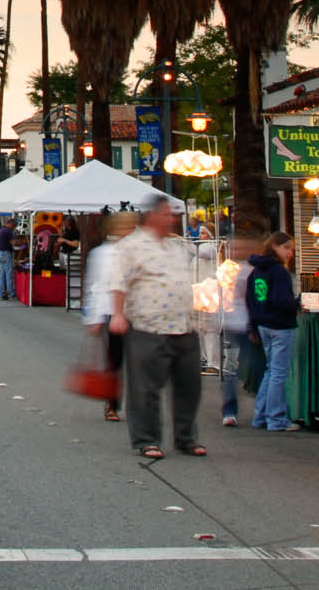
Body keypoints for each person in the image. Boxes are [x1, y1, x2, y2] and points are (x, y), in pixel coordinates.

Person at [110, 196, 203, 459]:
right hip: (148, 325)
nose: (171, 218)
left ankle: (186, 437)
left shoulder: (177, 245)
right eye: (165, 214)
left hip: (184, 324)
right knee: (146, 387)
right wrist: (117, 314)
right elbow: (118, 282)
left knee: (189, 385)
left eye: (172, 214)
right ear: (151, 215)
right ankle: (146, 438)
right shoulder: (131, 246)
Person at [83, 210, 137, 423]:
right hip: (110, 311)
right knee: (115, 361)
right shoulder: (103, 254)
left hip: (137, 312)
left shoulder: (138, 251)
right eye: (126, 227)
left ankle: (138, 405)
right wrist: (94, 317)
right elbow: (95, 285)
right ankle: (111, 402)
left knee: (139, 362)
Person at [245, 231, 301, 432]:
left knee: (271, 371)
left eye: (291, 250)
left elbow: (251, 300)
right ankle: (276, 418)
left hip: (263, 324)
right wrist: (297, 303)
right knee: (278, 372)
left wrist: (253, 325)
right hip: (280, 325)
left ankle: (261, 415)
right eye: (286, 248)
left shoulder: (257, 270)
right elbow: (281, 300)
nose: (289, 253)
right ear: (275, 247)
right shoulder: (279, 272)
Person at [217, 241, 258, 427]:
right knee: (237, 369)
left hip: (241, 324)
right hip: (237, 324)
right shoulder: (239, 271)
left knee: (237, 369)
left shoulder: (248, 270)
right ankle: (231, 410)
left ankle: (234, 410)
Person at [0, 219, 18, 300]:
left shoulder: (0, 230)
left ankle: (1, 293)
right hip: (6, 253)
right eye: (14, 226)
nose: (14, 228)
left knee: (2, 274)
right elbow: (13, 243)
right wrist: (20, 243)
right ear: (11, 224)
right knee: (9, 274)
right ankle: (11, 293)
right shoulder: (8, 232)